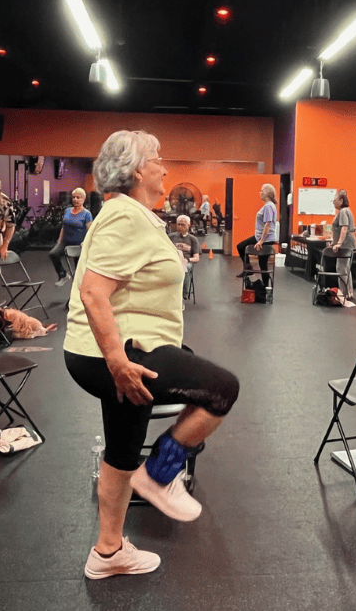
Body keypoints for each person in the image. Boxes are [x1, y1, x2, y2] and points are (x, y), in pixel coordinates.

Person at [63, 130, 239, 580]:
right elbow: (92, 292)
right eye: (157, 158)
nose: (164, 167)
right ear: (137, 170)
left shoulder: (136, 215)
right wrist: (117, 363)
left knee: (122, 450)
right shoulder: (125, 216)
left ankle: (108, 552)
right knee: (221, 389)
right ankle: (159, 474)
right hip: (118, 354)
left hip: (125, 349)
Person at [235, 183, 278, 286]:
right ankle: (265, 286)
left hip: (264, 239)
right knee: (262, 264)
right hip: (263, 238)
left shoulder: (268, 206)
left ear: (267, 193)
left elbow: (268, 224)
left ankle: (264, 285)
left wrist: (261, 241)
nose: (260, 193)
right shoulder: (268, 205)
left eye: (261, 191)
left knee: (241, 247)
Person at [50, 187, 93, 286]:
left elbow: (90, 231)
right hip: (66, 241)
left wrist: (86, 243)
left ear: (83, 199)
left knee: (78, 269)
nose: (75, 199)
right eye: (74, 197)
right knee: (53, 254)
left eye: (78, 197)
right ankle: (63, 275)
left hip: (79, 243)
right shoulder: (68, 211)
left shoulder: (87, 214)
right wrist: (59, 239)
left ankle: (79, 289)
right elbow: (64, 226)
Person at [329, 189, 356, 300]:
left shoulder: (343, 212)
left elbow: (344, 228)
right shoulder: (345, 211)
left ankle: (343, 293)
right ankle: (348, 292)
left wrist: (339, 243)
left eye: (335, 199)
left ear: (341, 201)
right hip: (347, 243)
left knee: (341, 268)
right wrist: (334, 241)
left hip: (346, 244)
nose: (333, 202)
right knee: (345, 268)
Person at [168, 214, 200, 306]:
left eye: (183, 225)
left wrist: (187, 260)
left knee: (184, 268)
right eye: (178, 224)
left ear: (188, 225)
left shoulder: (193, 239)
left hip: (186, 262)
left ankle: (182, 296)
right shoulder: (170, 237)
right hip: (173, 260)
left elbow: (196, 258)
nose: (180, 227)